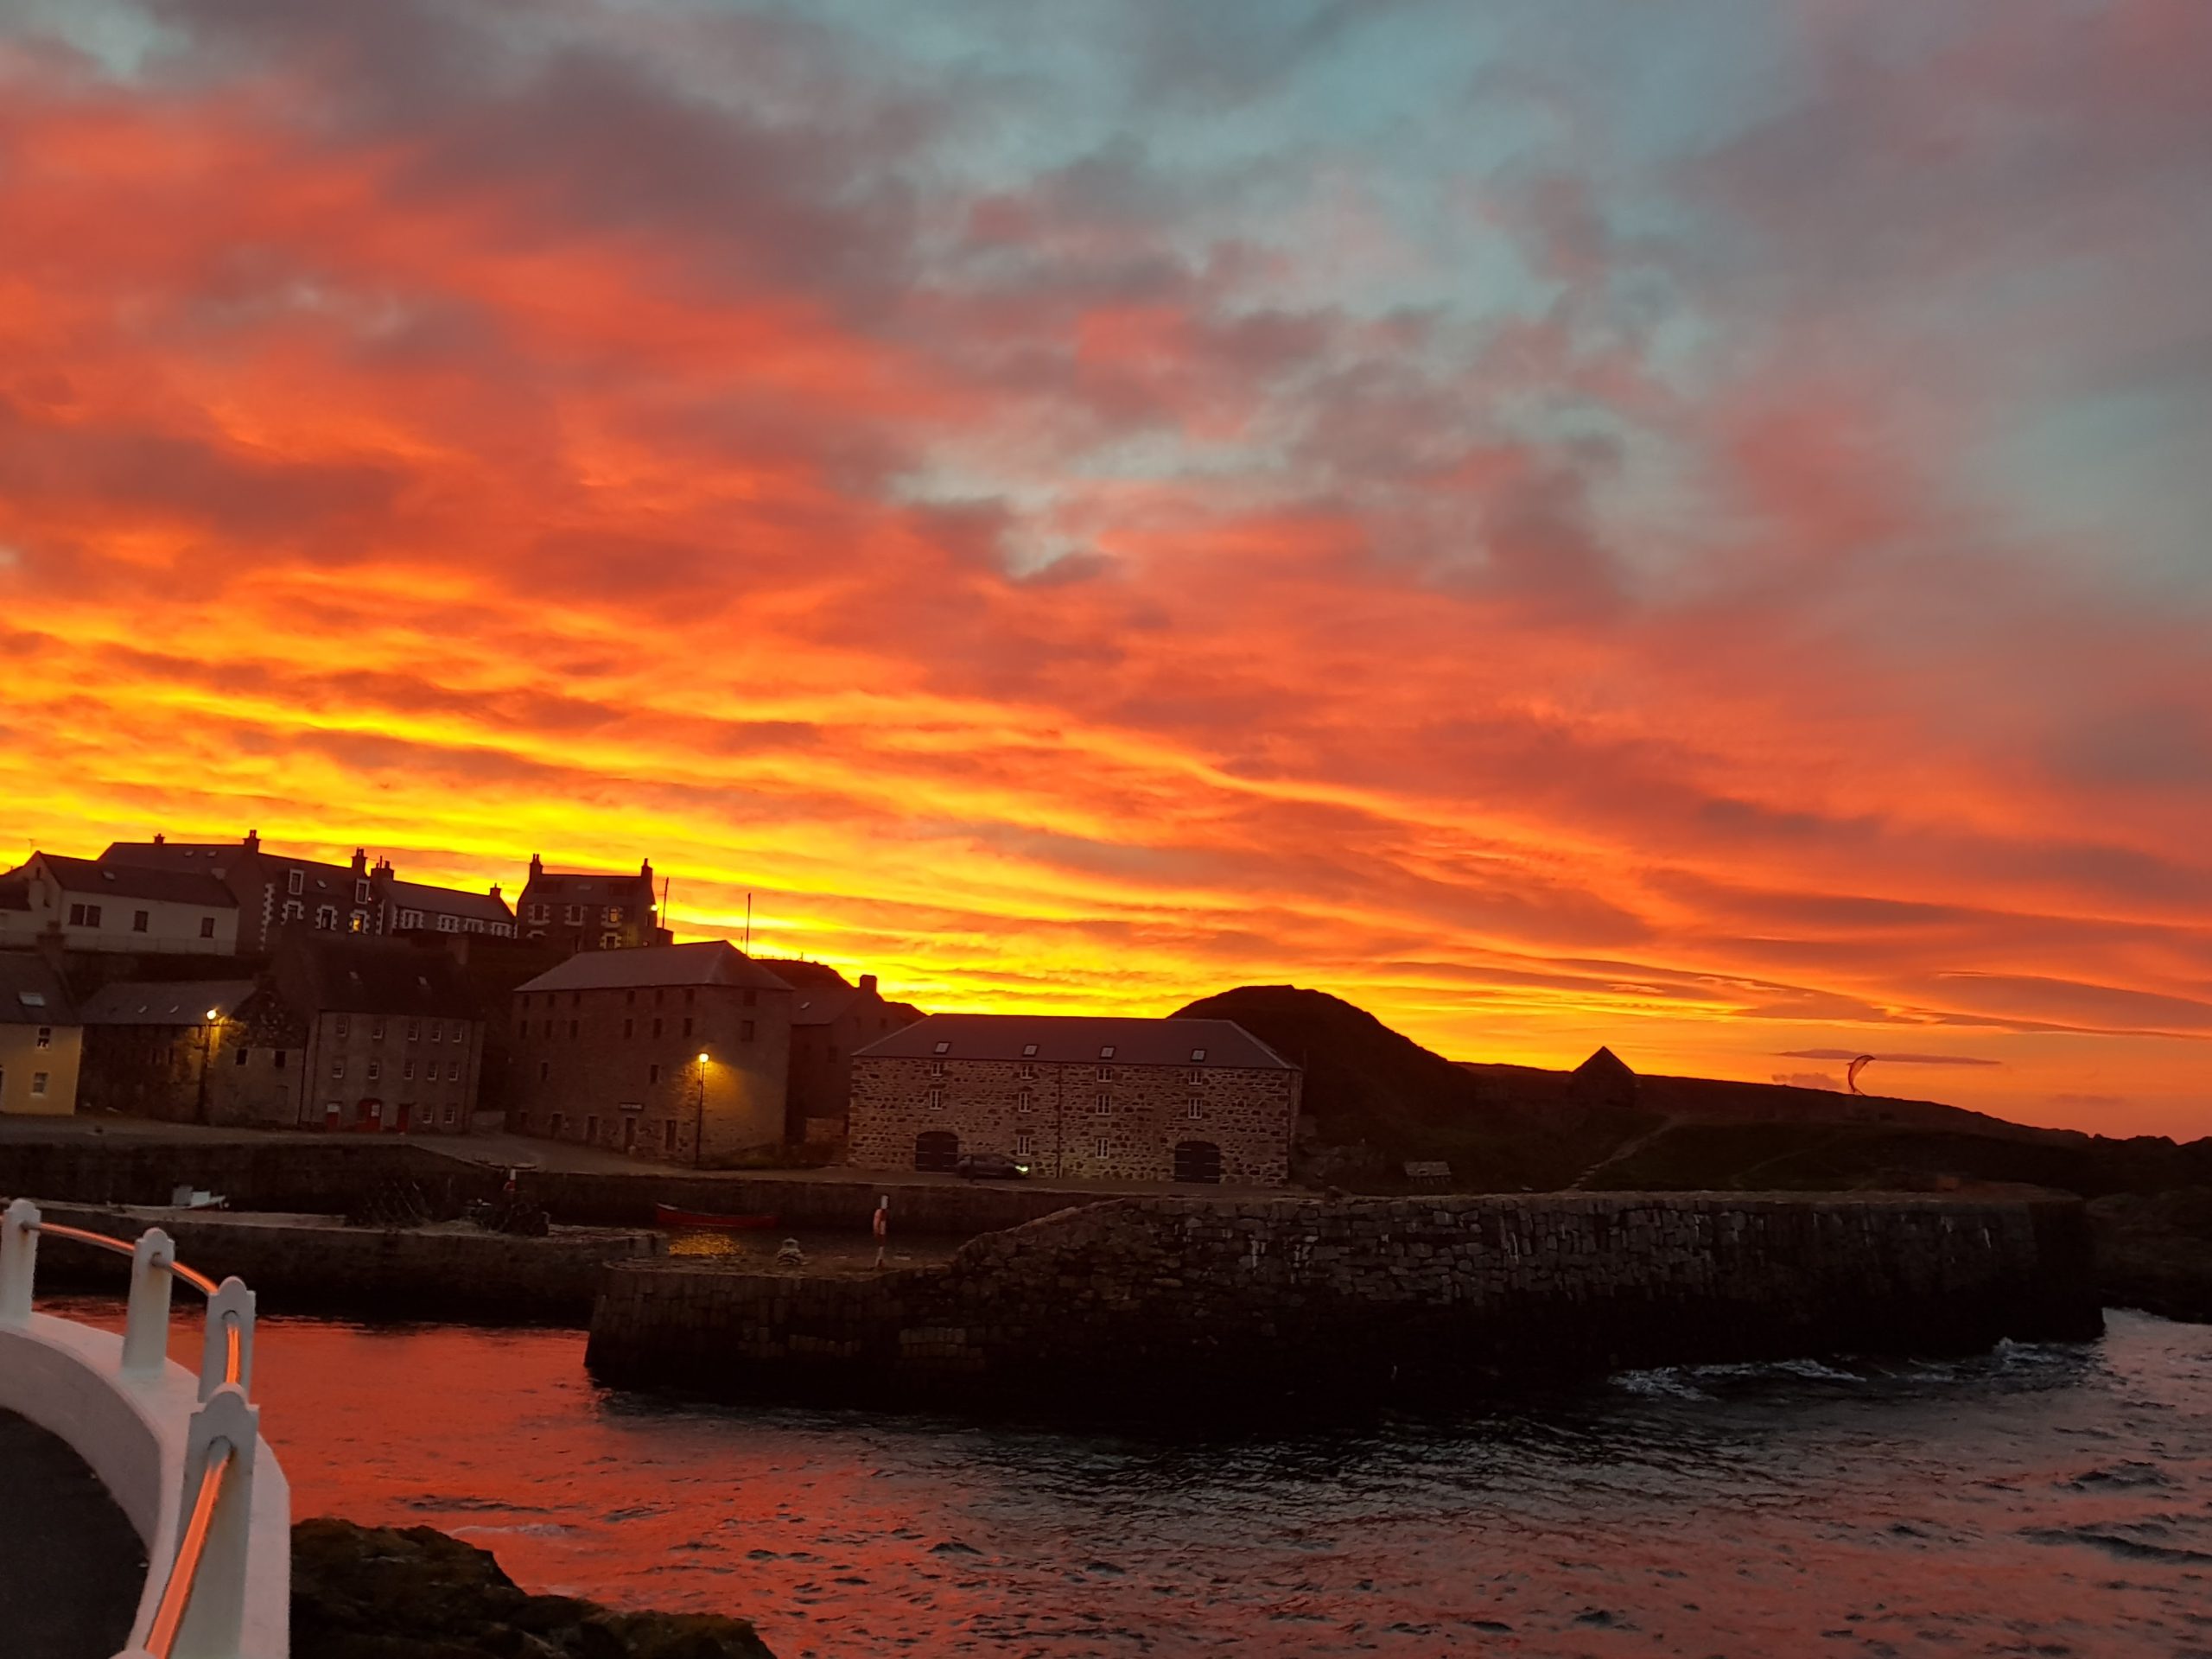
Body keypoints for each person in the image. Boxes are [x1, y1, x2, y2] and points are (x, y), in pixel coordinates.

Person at [872, 1195, 889, 1270]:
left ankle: (880, 1258)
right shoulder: (881, 1213)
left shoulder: (881, 1213)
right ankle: (880, 1259)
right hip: (881, 1228)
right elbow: (878, 1222)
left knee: (882, 1243)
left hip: (882, 1228)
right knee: (881, 1242)